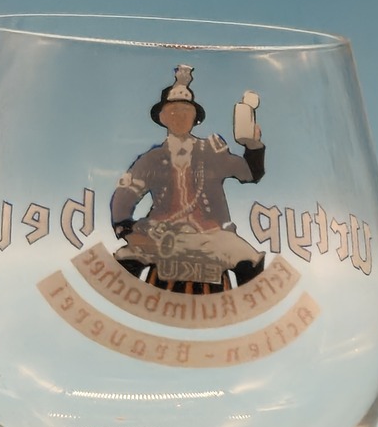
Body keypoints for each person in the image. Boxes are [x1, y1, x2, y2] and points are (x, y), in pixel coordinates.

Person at [109, 65, 267, 294]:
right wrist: (128, 228)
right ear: (162, 118)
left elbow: (249, 173)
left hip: (211, 235)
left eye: (186, 111)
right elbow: (126, 194)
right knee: (123, 262)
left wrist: (252, 145)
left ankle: (244, 311)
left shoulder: (212, 151)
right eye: (173, 111)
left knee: (249, 260)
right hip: (162, 235)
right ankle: (125, 310)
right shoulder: (152, 159)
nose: (180, 116)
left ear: (195, 118)